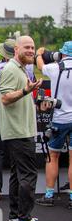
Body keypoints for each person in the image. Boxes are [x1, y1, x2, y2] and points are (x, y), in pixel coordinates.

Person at [0, 35, 50, 221]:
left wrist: (37, 104)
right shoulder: (11, 69)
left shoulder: (20, 69)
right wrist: (25, 91)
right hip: (19, 132)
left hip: (19, 130)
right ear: (16, 49)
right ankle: (25, 220)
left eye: (33, 47)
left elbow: (18, 98)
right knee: (28, 175)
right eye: (27, 47)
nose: (31, 50)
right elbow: (5, 98)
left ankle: (15, 217)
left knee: (17, 176)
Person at [0, 39, 35, 200]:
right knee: (19, 163)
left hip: (0, 114)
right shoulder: (26, 67)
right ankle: (21, 213)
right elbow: (32, 86)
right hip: (19, 116)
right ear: (15, 50)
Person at [35, 41, 72, 209]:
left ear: (62, 54)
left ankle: (49, 195)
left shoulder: (56, 67)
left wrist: (39, 53)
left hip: (59, 119)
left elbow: (41, 65)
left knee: (52, 157)